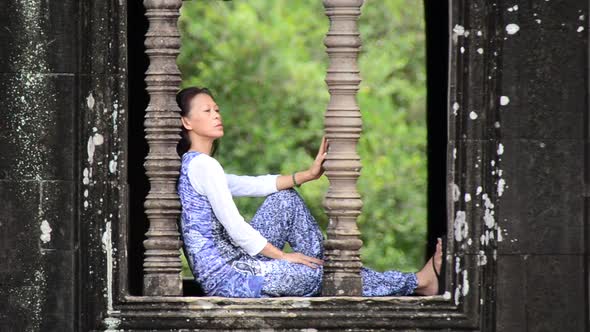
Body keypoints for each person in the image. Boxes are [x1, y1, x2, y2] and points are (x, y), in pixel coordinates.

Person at [176, 86, 443, 298]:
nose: (216, 115)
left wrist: (308, 174)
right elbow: (236, 228)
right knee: (318, 275)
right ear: (186, 122)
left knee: (285, 199)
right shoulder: (203, 165)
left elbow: (251, 184)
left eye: (217, 109)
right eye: (207, 110)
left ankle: (326, 263)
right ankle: (418, 282)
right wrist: (283, 257)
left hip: (240, 264)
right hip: (231, 277)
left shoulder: (200, 165)